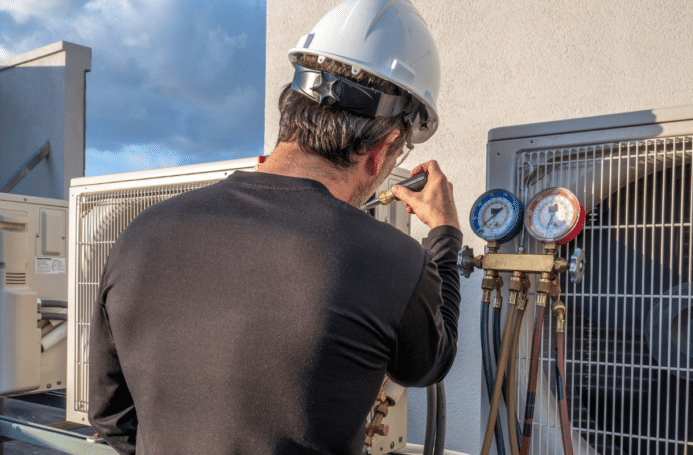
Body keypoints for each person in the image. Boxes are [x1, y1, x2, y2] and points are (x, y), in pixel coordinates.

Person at [88, 0, 462, 453]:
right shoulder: (394, 259)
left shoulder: (142, 233)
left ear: (291, 110)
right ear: (384, 147)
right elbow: (428, 364)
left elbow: (111, 417)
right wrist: (445, 234)